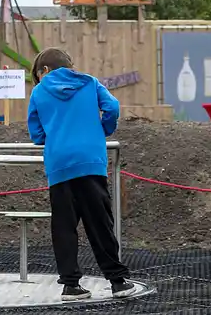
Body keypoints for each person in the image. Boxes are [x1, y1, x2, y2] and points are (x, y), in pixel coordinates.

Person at [25, 47, 135, 301]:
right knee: (100, 223)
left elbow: (36, 132)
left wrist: (49, 138)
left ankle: (71, 285)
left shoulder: (39, 91)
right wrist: (103, 129)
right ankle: (117, 281)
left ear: (44, 70)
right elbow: (113, 107)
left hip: (59, 165)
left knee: (64, 226)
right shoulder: (90, 82)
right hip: (91, 161)